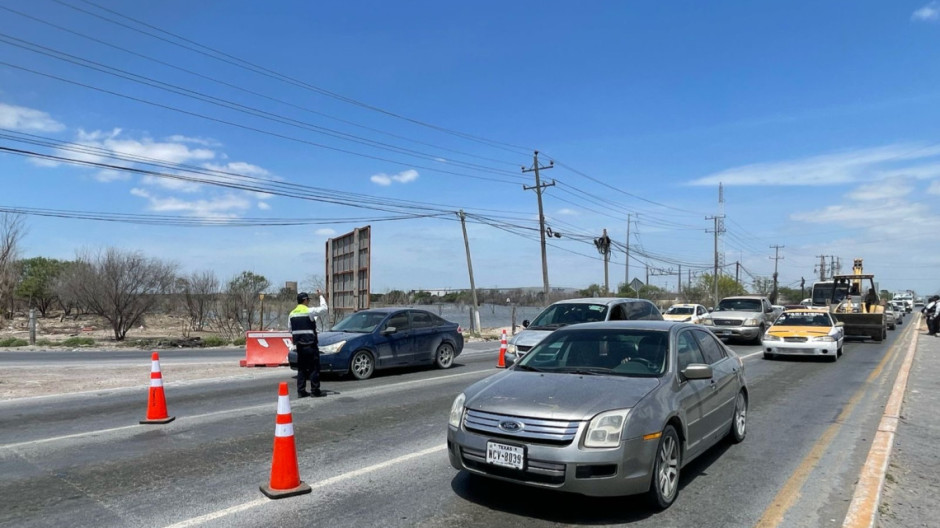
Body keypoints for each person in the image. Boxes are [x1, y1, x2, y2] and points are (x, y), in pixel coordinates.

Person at [291, 290, 329, 398]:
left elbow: (290, 329)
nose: (308, 302)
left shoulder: (292, 314)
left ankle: (301, 391)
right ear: (305, 300)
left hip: (299, 345)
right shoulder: (309, 311)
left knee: (301, 369)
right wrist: (321, 295)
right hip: (310, 344)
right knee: (314, 368)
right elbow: (324, 308)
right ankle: (315, 390)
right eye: (308, 300)